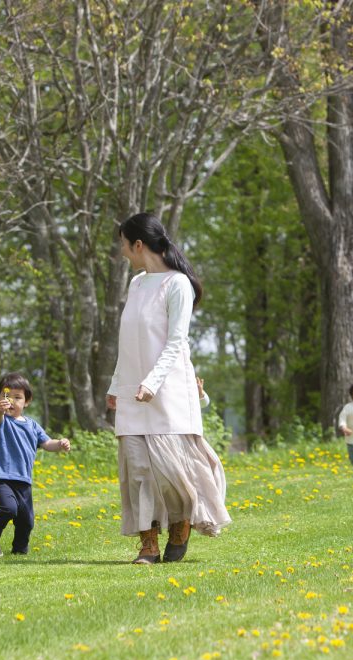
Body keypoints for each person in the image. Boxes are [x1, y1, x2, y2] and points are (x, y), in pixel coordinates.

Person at [107, 212, 231, 564]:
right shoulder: (136, 284)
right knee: (137, 470)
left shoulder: (177, 284)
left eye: (124, 246)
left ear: (139, 244)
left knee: (171, 472)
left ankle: (181, 524)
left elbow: (176, 341)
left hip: (168, 390)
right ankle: (148, 544)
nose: (123, 254)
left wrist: (152, 382)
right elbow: (127, 341)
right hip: (134, 390)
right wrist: (117, 383)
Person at [0, 373, 71, 558]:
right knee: (8, 509)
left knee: (26, 520)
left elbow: (47, 443)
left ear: (27, 401)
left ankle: (19, 551)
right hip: (1, 476)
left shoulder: (32, 425)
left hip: (23, 479)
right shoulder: (0, 419)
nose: (11, 401)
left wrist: (60, 444)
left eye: (18, 397)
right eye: (6, 396)